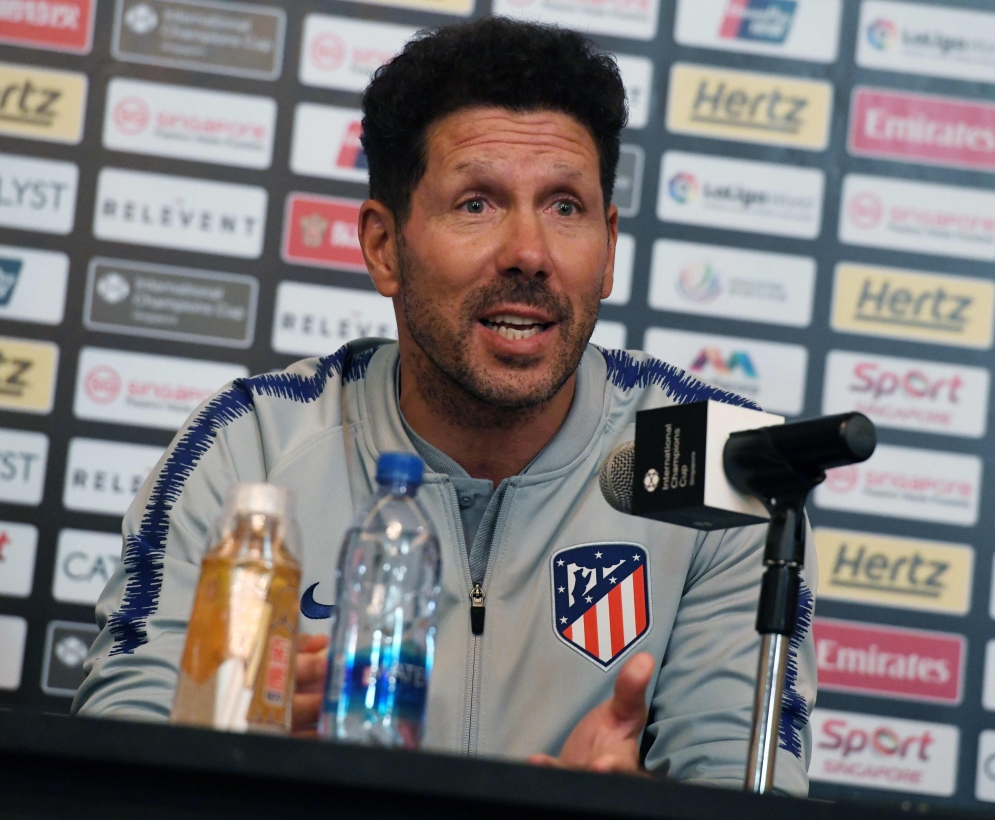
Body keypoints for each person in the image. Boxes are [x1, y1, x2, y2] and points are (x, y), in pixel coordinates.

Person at [74, 17, 817, 795]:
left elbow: (747, 789)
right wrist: (238, 750)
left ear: (608, 246)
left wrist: (620, 810)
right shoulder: (251, 446)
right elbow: (118, 760)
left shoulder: (720, 461)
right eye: (476, 204)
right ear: (383, 247)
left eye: (565, 207)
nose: (529, 253)